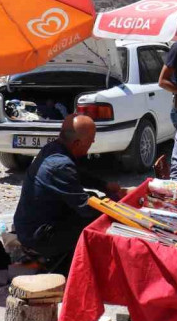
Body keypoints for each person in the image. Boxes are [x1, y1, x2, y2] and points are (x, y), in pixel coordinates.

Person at [14, 115, 121, 272]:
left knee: (93, 199)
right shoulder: (60, 165)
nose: (93, 143)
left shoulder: (53, 150)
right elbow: (85, 207)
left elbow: (77, 175)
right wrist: (114, 202)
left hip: (28, 226)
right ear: (77, 143)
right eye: (91, 140)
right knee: (98, 220)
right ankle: (87, 268)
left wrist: (104, 186)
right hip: (38, 236)